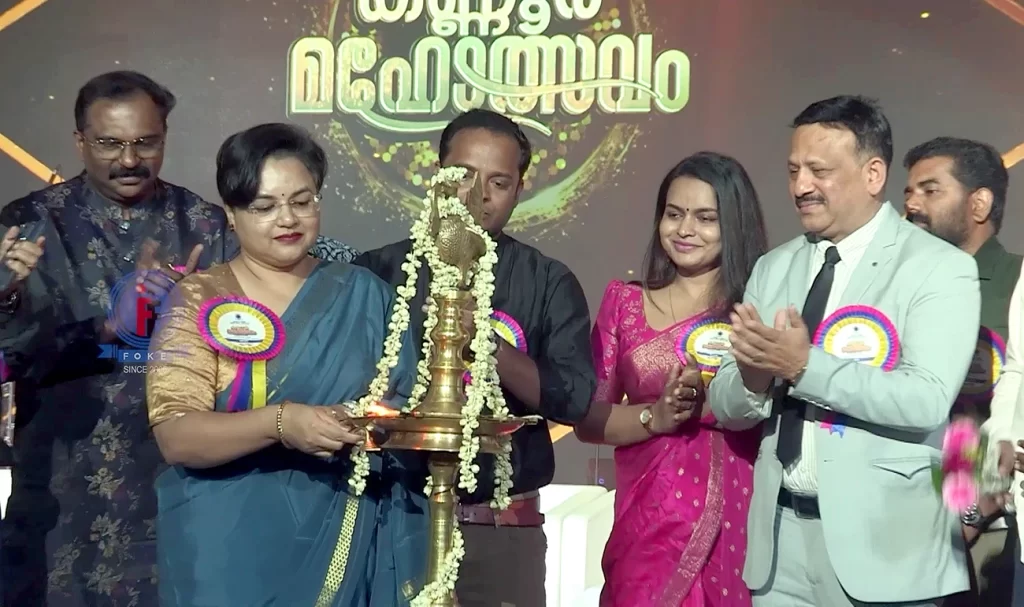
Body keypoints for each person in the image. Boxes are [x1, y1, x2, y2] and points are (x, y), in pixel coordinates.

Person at [709, 95, 980, 606]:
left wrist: (803, 366)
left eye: (819, 171)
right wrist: (753, 378)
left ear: (873, 174)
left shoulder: (938, 267)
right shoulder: (774, 267)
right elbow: (727, 406)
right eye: (793, 171)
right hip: (779, 544)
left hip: (886, 547)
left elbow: (925, 400)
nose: (800, 186)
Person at [145, 122, 427, 605]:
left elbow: (405, 408)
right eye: (264, 207)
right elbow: (176, 436)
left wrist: (364, 423)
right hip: (227, 551)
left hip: (345, 529)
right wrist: (280, 422)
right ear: (231, 213)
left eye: (302, 201)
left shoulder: (366, 294)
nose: (288, 219)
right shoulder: (196, 300)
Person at [0, 70, 235, 606]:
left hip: (174, 479)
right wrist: (106, 327)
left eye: (145, 142)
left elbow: (242, 355)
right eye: (109, 143)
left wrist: (189, 314)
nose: (129, 160)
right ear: (79, 141)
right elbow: (14, 358)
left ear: (165, 137)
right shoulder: (30, 224)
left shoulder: (204, 225)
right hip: (62, 482)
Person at [354, 109, 595, 606]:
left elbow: (573, 400)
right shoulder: (378, 272)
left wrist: (487, 345)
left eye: (498, 183)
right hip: (394, 520)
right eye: (462, 176)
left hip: (500, 533)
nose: (477, 195)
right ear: (436, 175)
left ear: (519, 190)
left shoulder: (546, 281)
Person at [574, 152, 768, 606]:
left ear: (734, 224)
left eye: (706, 218)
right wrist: (654, 417)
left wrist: (710, 405)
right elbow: (588, 419)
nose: (685, 230)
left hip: (737, 520)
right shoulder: (624, 304)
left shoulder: (754, 310)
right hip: (647, 530)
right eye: (674, 214)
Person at [903, 136, 1021, 605]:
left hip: (988, 528)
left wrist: (976, 508)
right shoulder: (899, 286)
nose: (912, 204)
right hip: (902, 515)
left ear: (979, 203)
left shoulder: (1017, 283)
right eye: (909, 191)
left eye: (930, 190)